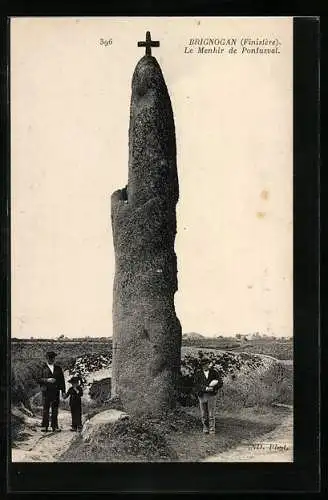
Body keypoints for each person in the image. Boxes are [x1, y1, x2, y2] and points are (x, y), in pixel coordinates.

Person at [38, 351, 66, 432]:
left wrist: (63, 391)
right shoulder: (42, 368)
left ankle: (55, 426)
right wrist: (47, 380)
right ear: (46, 358)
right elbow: (38, 379)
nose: (51, 359)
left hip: (56, 391)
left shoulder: (58, 368)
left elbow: (62, 381)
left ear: (54, 358)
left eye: (53, 358)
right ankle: (45, 426)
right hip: (46, 391)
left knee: (55, 409)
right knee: (46, 408)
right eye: (49, 358)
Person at [194, 357, 223, 435]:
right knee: (204, 414)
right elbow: (196, 385)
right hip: (202, 395)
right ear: (202, 365)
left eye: (206, 364)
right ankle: (205, 428)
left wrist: (213, 387)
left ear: (209, 364)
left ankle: (212, 429)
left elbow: (220, 383)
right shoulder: (198, 373)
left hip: (212, 395)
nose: (205, 366)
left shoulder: (214, 372)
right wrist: (205, 388)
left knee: (211, 413)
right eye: (203, 365)